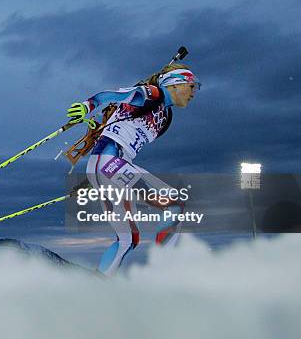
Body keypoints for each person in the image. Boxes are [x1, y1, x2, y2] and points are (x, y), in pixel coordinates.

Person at [66, 63, 200, 275]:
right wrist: (87, 106)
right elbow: (111, 95)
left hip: (109, 167)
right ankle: (162, 275)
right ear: (175, 83)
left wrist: (92, 181)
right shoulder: (152, 94)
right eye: (192, 85)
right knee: (175, 204)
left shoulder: (165, 118)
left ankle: (97, 286)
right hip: (110, 163)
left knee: (128, 240)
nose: (194, 92)